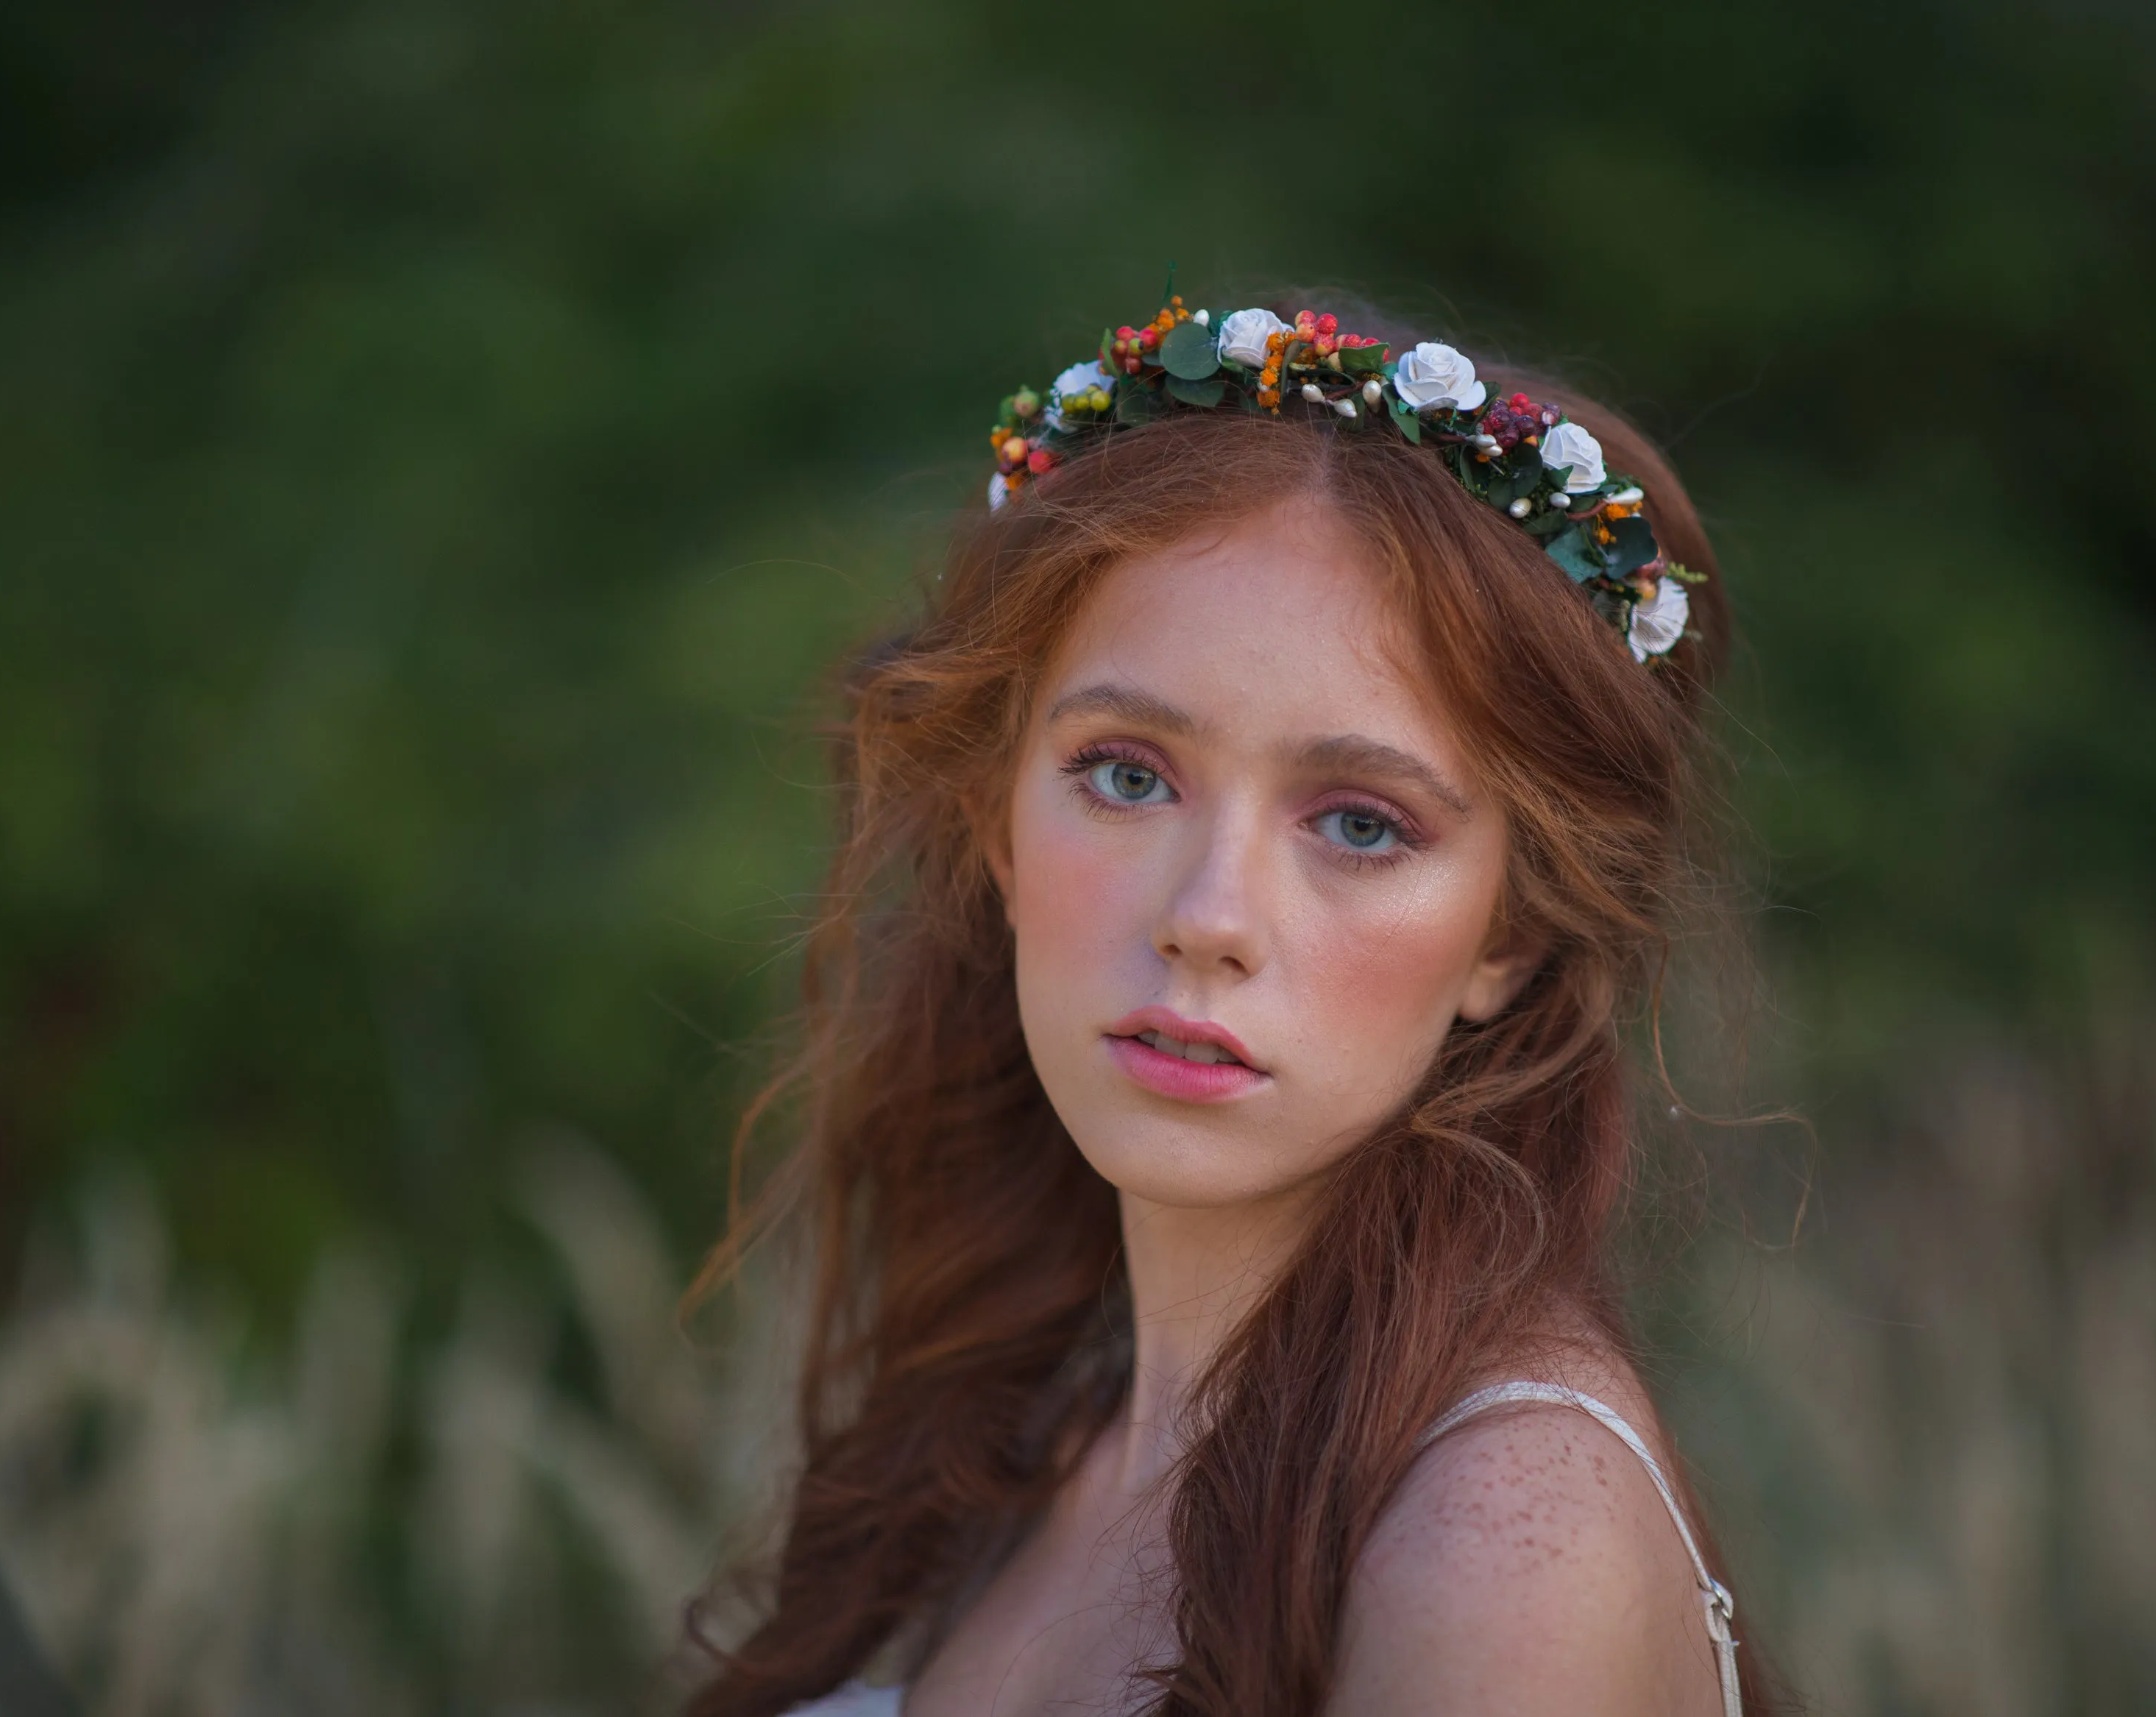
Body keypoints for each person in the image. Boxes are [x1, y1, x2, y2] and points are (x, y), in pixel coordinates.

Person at [684, 294, 1772, 1717]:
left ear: (1511, 932)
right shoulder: (1019, 1441)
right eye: (1128, 776)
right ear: (1003, 828)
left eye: (1362, 825)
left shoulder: (1500, 1546)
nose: (1206, 920)